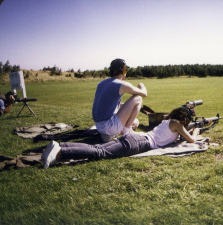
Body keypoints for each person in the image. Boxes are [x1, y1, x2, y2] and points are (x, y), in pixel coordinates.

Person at [41, 106, 210, 169]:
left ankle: (60, 146)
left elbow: (177, 134)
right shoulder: (177, 124)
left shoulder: (168, 121)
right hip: (140, 143)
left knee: (98, 149)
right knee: (99, 153)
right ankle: (60, 152)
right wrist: (197, 129)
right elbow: (192, 141)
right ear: (185, 118)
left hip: (135, 138)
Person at [92, 58, 147, 142]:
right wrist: (141, 85)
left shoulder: (101, 83)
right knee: (138, 98)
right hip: (108, 125)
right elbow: (144, 94)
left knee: (135, 121)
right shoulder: (122, 84)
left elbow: (108, 105)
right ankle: (127, 131)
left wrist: (126, 106)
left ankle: (110, 134)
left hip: (99, 126)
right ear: (123, 70)